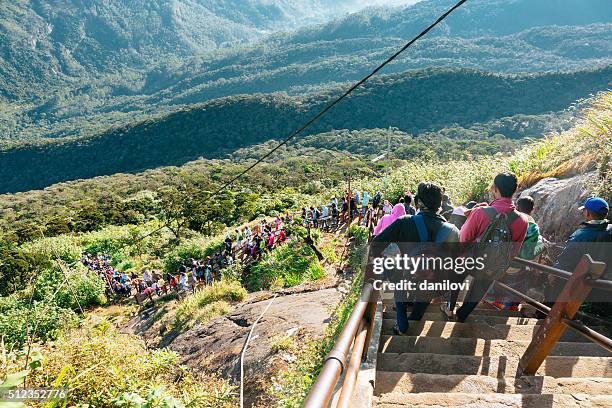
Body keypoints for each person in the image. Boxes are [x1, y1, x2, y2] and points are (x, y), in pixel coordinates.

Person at [370, 182, 460, 334]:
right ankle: (414, 317)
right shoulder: (453, 231)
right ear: (440, 204)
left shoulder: (405, 222)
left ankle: (401, 319)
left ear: (418, 202)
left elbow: (376, 244)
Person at [451, 172, 528, 322]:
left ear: (495, 188)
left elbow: (464, 238)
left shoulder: (480, 212)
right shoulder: (523, 220)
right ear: (516, 189)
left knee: (455, 275)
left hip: (471, 260)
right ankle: (461, 316)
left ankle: (449, 307)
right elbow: (514, 250)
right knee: (477, 292)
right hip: (494, 265)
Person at [548, 197, 611, 306]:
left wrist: (553, 274)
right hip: (606, 287)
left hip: (583, 289)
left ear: (588, 213)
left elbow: (565, 262)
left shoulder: (580, 236)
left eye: (584, 210)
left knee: (553, 285)